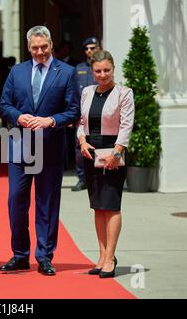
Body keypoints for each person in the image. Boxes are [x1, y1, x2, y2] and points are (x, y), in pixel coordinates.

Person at [0, 26, 79, 276]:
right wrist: (18, 117)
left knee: (47, 203)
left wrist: (51, 121)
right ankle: (20, 255)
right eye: (35, 48)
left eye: (44, 47)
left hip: (51, 147)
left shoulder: (66, 72)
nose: (40, 52)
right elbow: (4, 104)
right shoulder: (17, 71)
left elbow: (73, 110)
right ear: (28, 47)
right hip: (20, 147)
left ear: (51, 44)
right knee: (16, 201)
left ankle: (45, 256)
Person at [77, 50, 135, 278]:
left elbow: (126, 124)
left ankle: (110, 257)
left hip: (113, 154)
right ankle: (101, 256)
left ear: (113, 68)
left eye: (107, 70)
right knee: (98, 206)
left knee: (111, 205)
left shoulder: (124, 93)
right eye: (98, 71)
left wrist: (118, 152)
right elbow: (81, 121)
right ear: (92, 71)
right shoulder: (87, 92)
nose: (103, 75)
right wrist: (82, 141)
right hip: (90, 152)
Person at [71, 37, 101, 191]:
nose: (89, 51)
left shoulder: (102, 67)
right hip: (82, 115)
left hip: (99, 114)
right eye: (86, 48)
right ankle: (82, 178)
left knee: (99, 144)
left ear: (98, 48)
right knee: (79, 147)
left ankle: (98, 177)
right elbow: (74, 93)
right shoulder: (78, 68)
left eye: (92, 47)